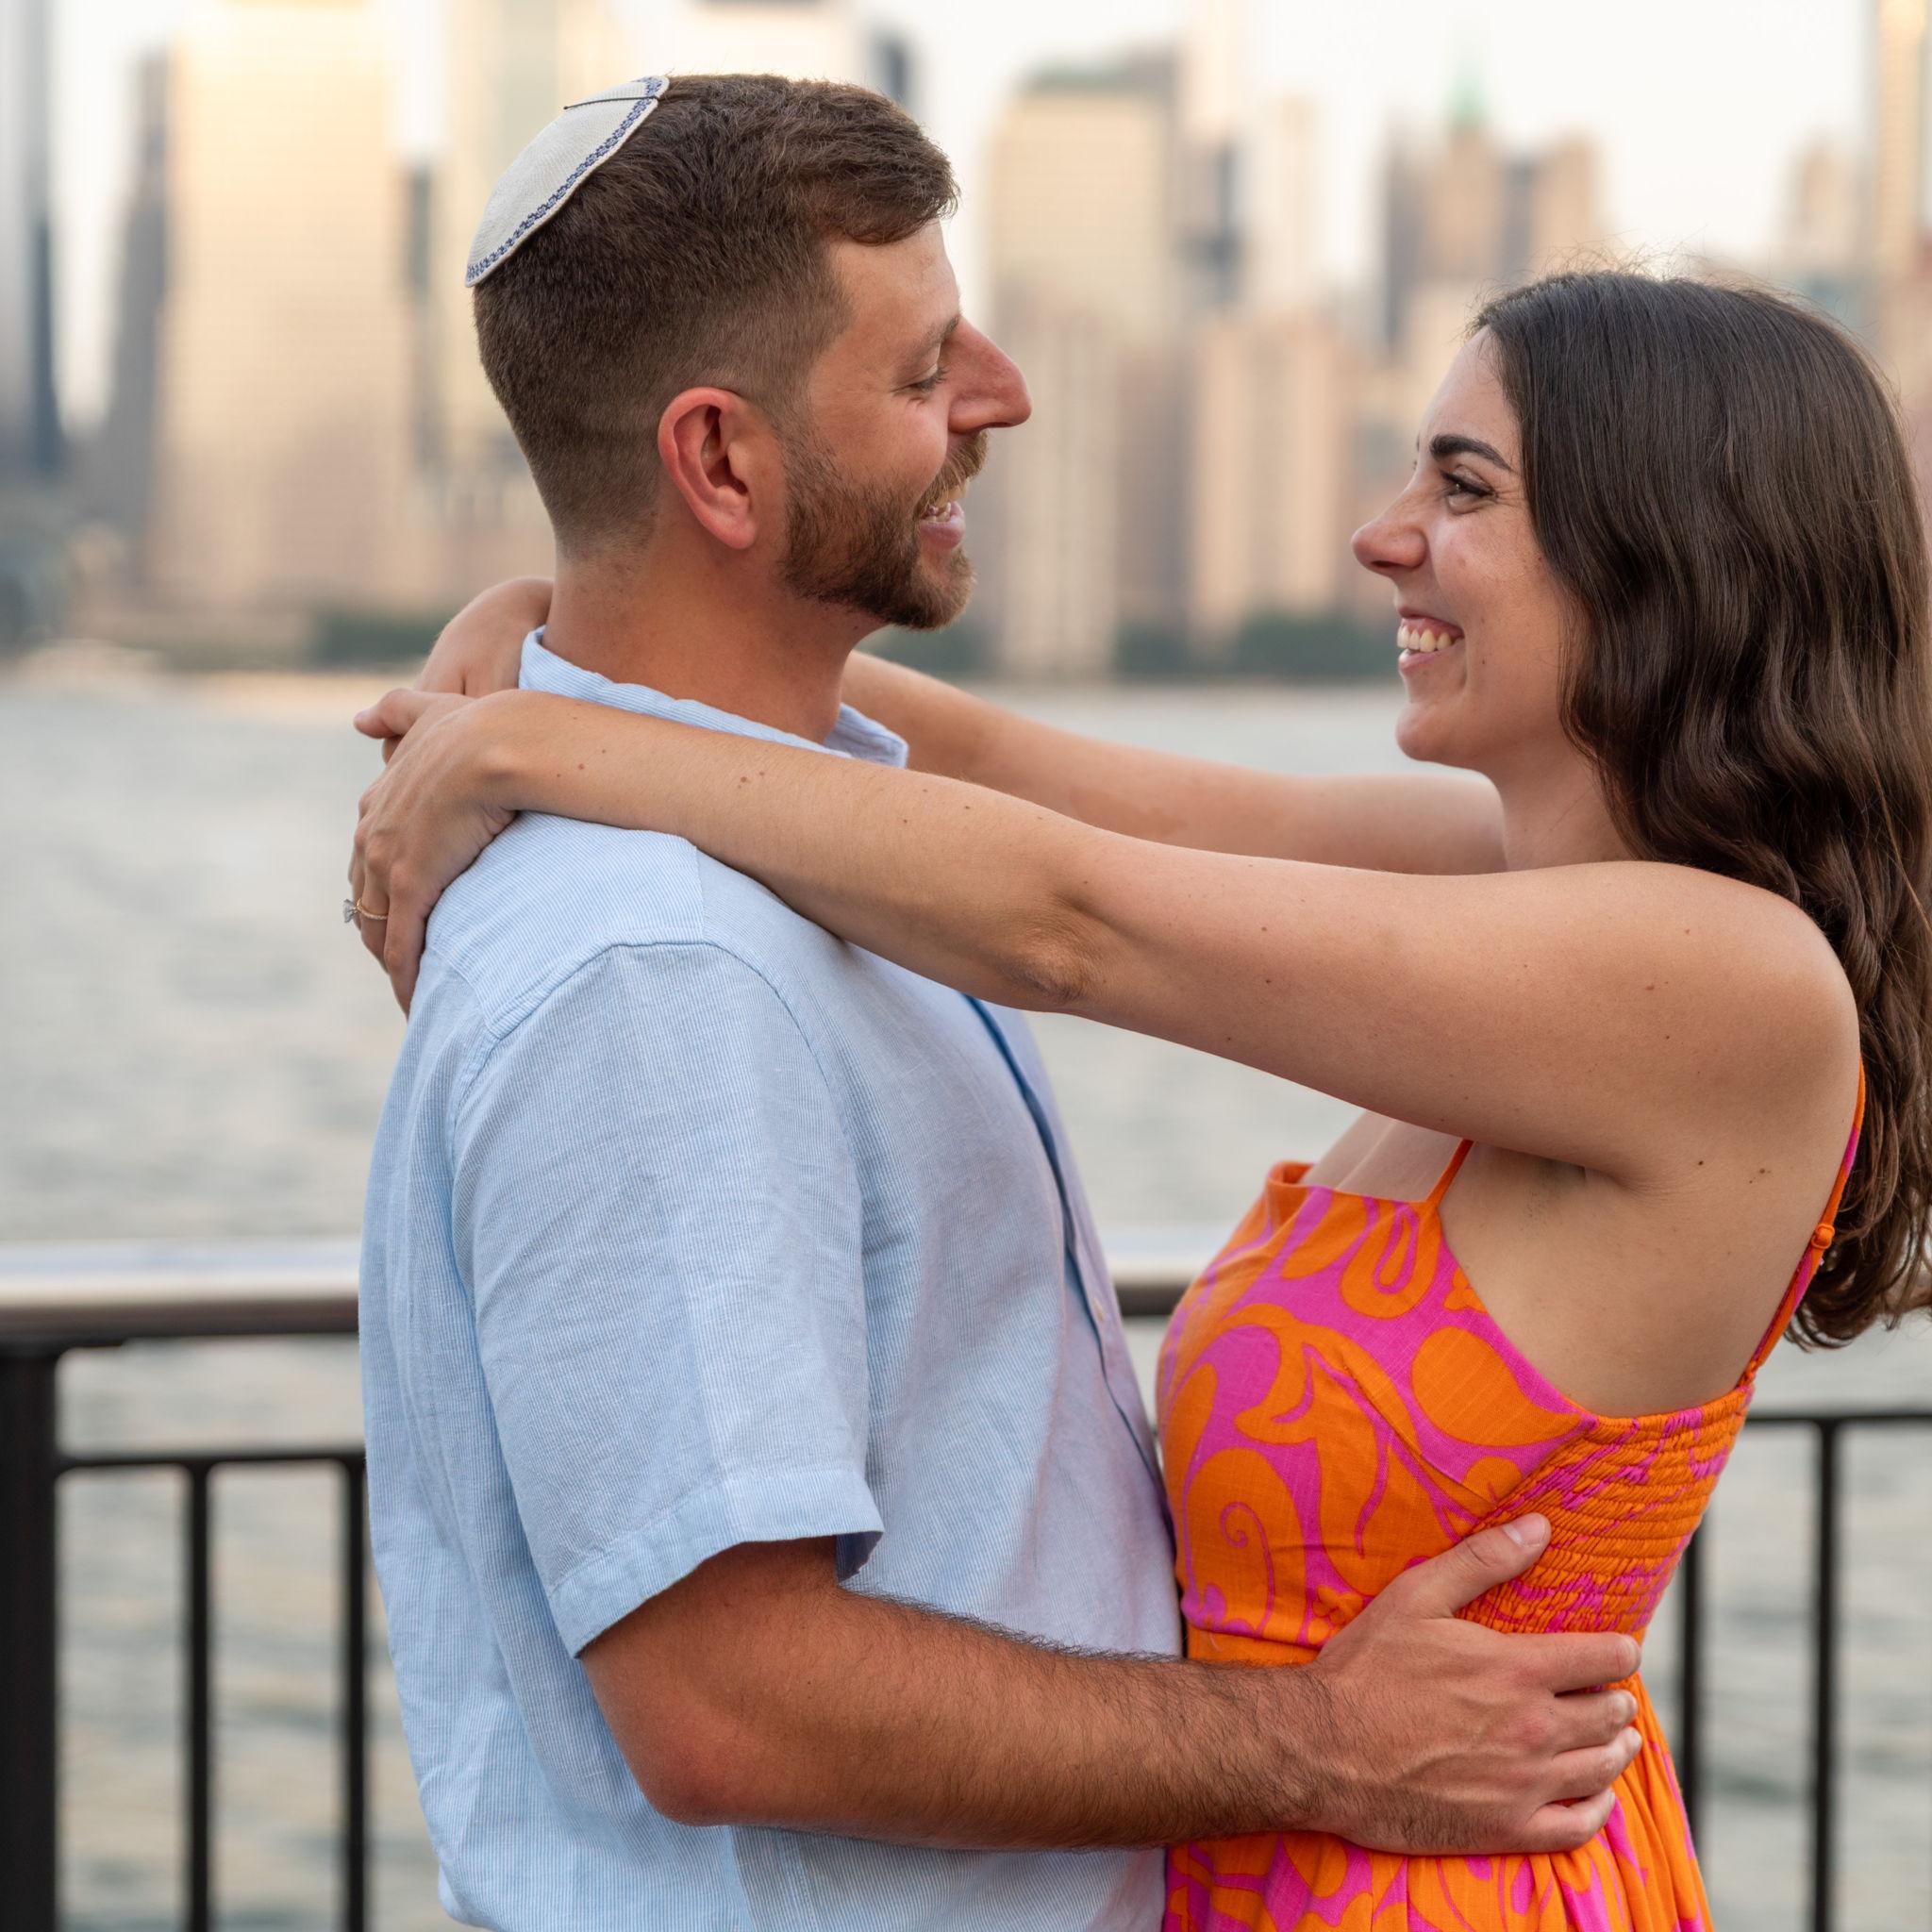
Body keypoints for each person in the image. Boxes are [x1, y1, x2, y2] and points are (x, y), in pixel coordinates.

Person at [354, 266, 1932, 1930]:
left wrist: (535, 749)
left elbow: (1068, 919)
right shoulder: (1513, 881)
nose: (1381, 535)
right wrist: (543, 639)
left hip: (1437, 1883)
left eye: (1464, 488)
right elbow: (1018, 781)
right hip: (1270, 1839)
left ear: (1676, 548)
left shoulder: (1730, 985)